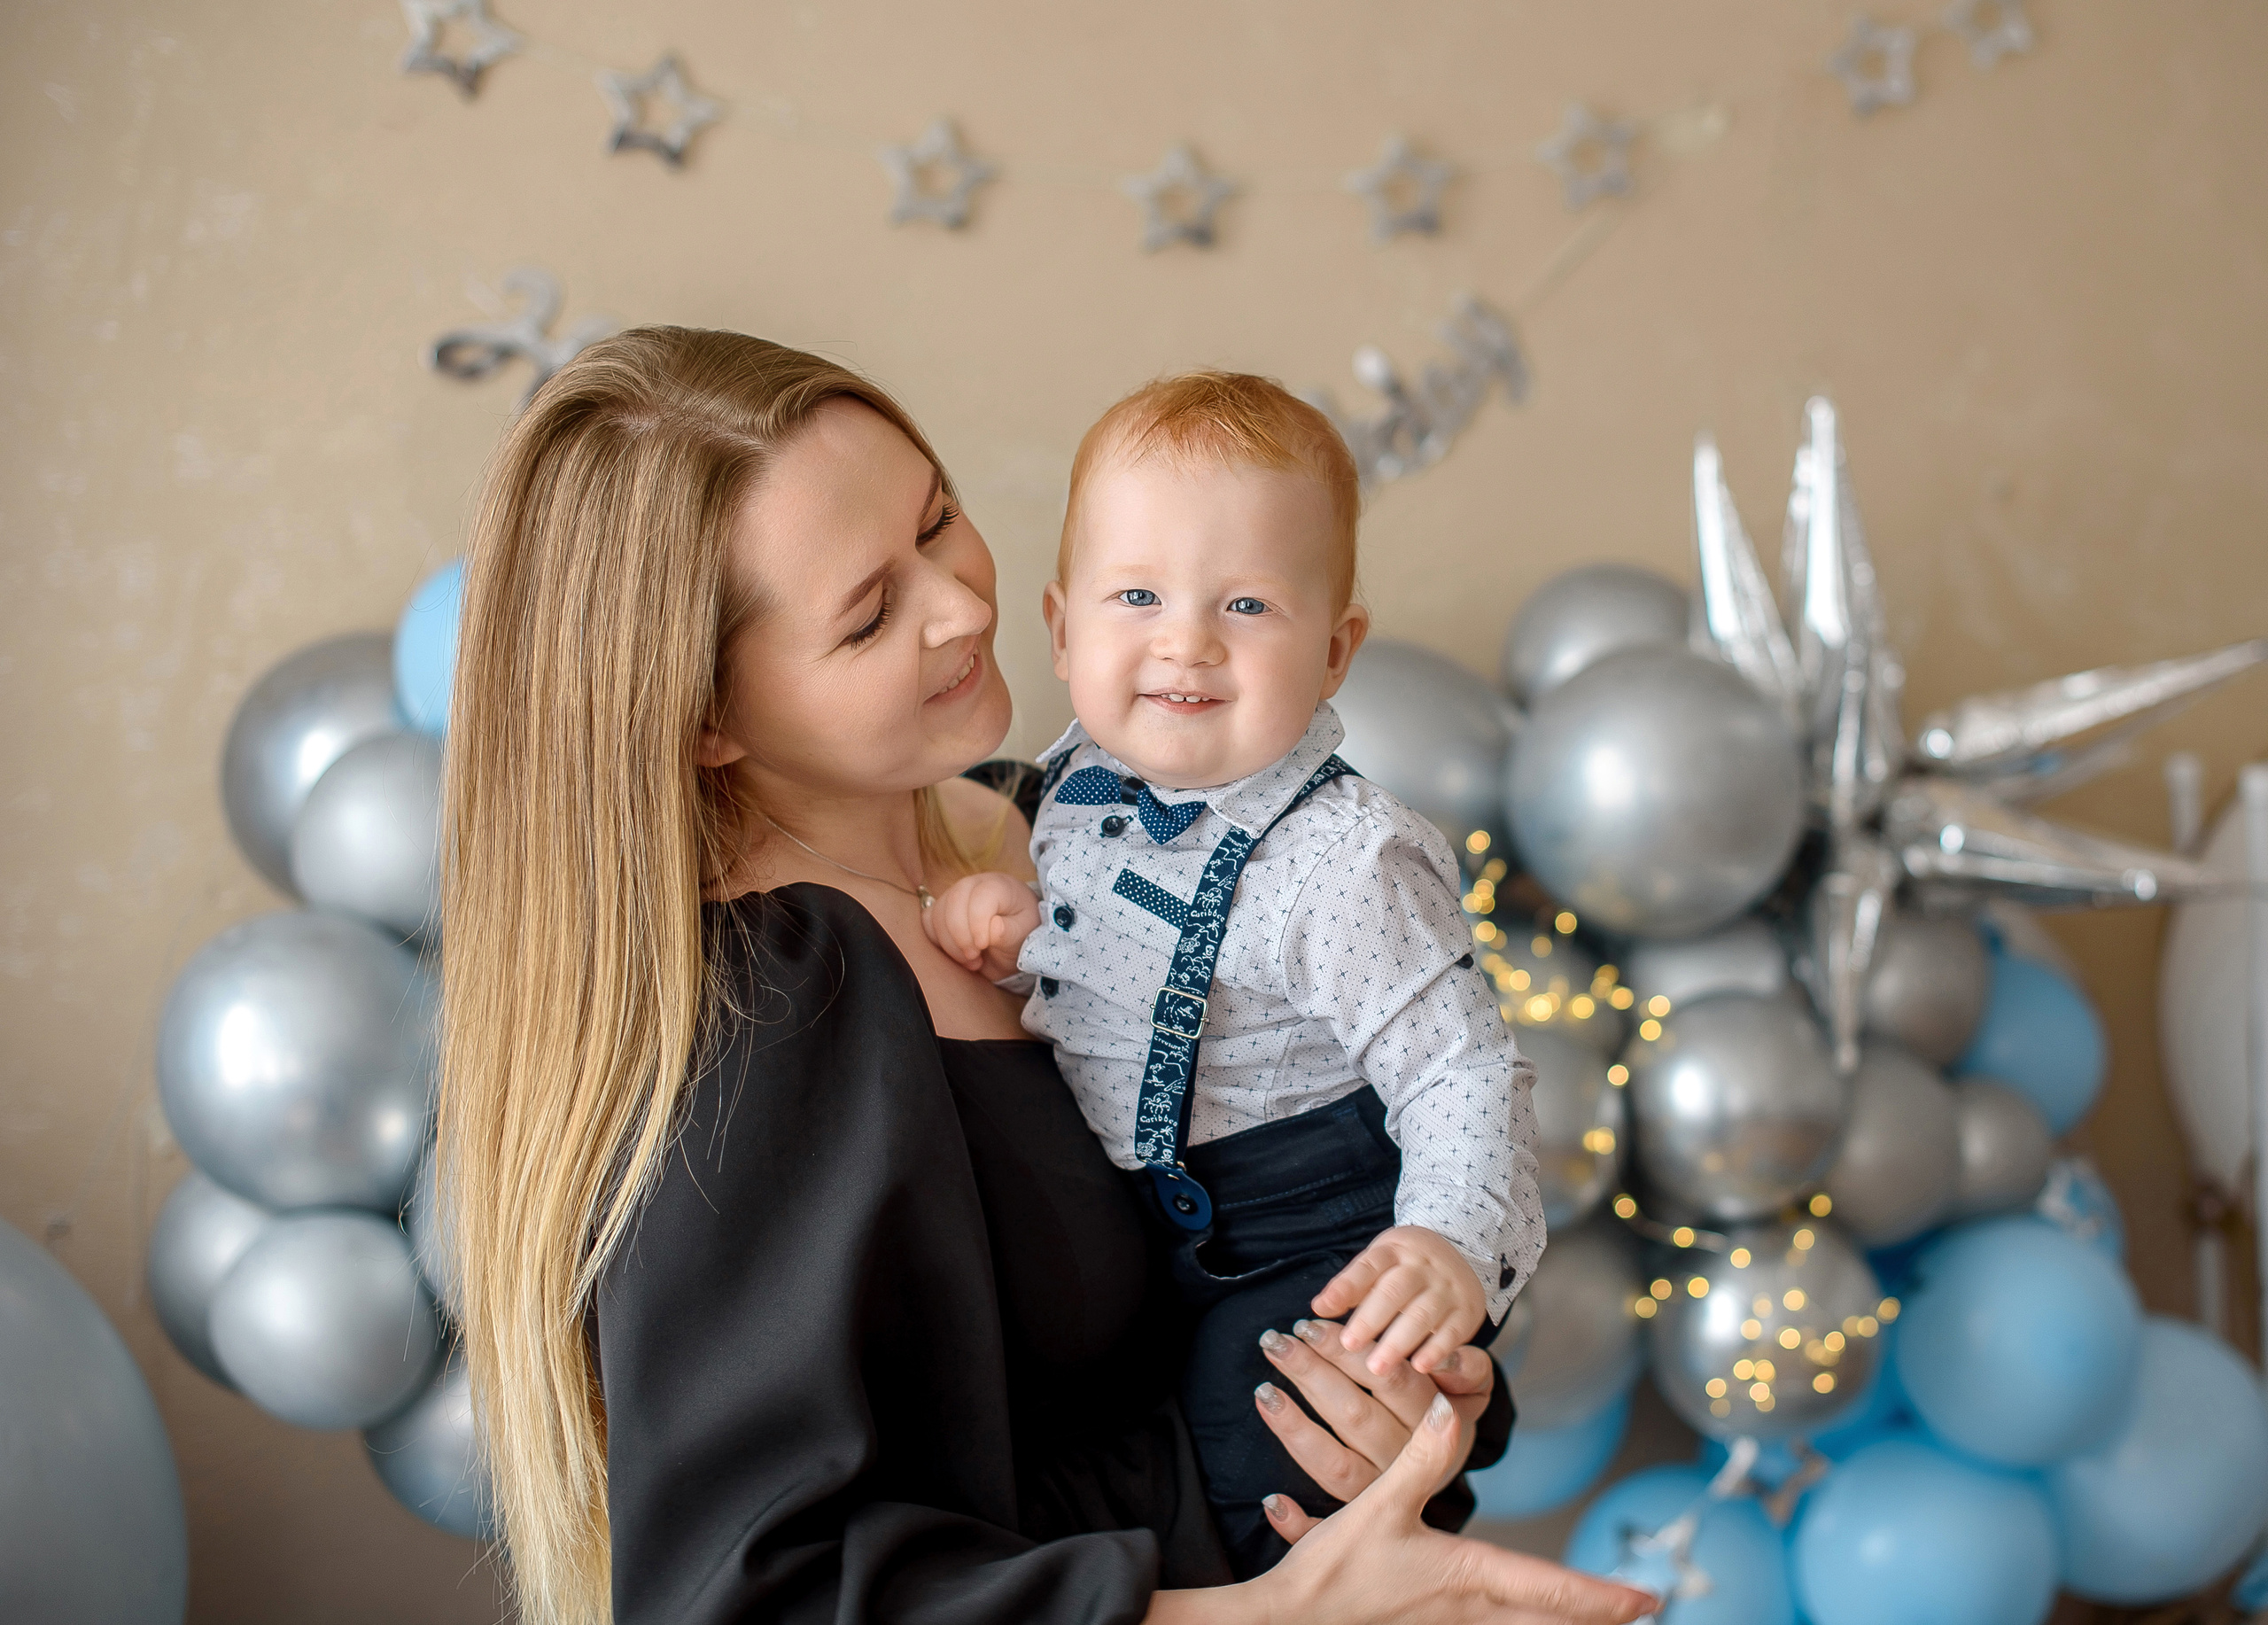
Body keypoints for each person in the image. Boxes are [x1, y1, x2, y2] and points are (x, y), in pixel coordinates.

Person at [437, 326, 1654, 1625]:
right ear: (707, 719)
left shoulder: (1067, 833)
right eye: (868, 614)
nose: (963, 603)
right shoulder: (772, 1006)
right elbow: (751, 1596)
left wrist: (1396, 1397)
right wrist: (1277, 1610)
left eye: (938, 519)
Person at [920, 371, 1545, 1575]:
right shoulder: (1066, 794)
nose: (1187, 640)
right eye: (1138, 594)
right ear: (1063, 628)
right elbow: (1098, 975)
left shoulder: (1346, 859)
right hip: (1157, 1224)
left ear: (1336, 648)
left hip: (1316, 1216)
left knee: (1266, 1440)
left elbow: (1462, 1069)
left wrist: (1448, 1241)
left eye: (1249, 603)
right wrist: (1017, 937)